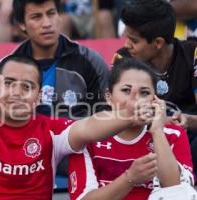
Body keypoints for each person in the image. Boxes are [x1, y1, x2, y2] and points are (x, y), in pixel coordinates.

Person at [0, 41, 154, 199]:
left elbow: (90, 127)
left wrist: (132, 114)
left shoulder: (52, 130)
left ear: (39, 95)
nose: (17, 92)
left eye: (27, 86)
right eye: (9, 83)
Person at [68, 58, 194, 200]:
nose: (135, 100)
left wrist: (157, 131)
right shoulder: (86, 137)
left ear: (155, 99)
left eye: (145, 93)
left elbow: (177, 192)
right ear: (109, 97)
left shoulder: (173, 133)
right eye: (126, 90)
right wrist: (130, 178)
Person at [114, 0, 197, 175]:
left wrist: (188, 121)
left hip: (190, 141)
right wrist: (155, 122)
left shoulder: (193, 54)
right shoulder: (122, 60)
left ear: (158, 42)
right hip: (144, 138)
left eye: (134, 40)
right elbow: (117, 116)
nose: (127, 45)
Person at [12, 0, 109, 119]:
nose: (47, 23)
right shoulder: (9, 68)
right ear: (22, 24)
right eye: (36, 17)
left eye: (51, 13)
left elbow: (106, 115)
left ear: (59, 15)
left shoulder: (92, 62)